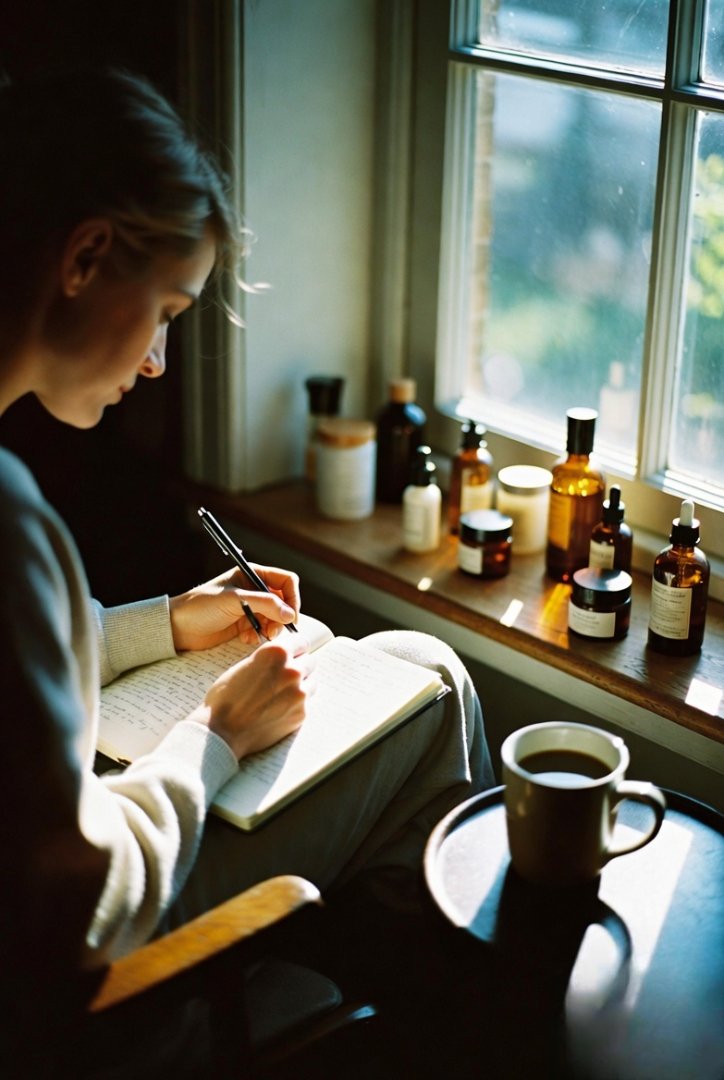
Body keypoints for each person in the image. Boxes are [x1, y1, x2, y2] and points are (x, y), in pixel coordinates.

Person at [0, 66, 493, 1066]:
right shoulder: (9, 519)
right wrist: (213, 737)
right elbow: (80, 912)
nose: (155, 365)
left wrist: (167, 623)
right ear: (87, 255)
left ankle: (301, 985)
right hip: (70, 1007)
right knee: (432, 681)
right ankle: (361, 1027)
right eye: (171, 311)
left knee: (393, 650)